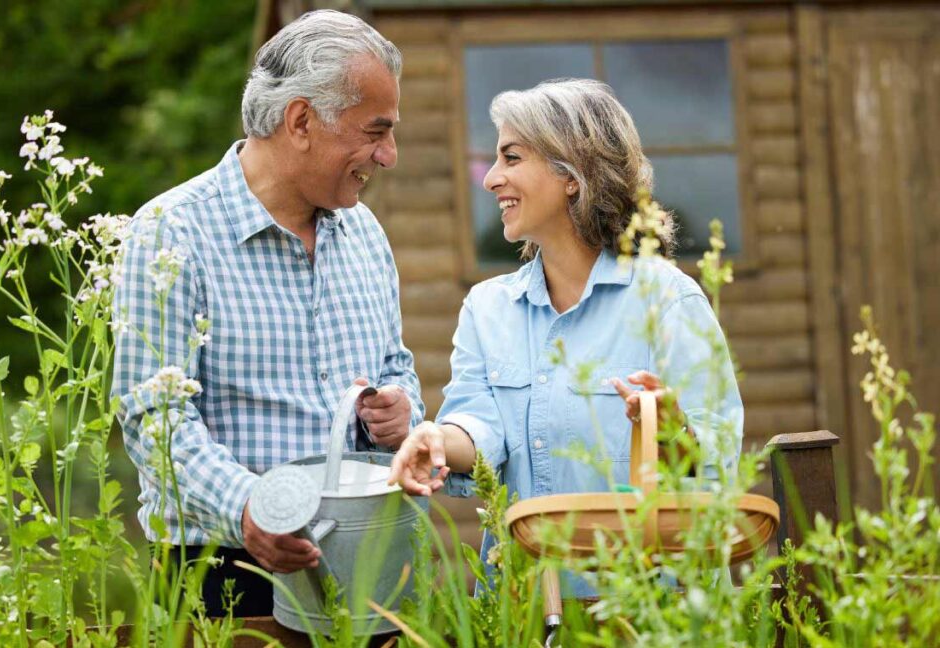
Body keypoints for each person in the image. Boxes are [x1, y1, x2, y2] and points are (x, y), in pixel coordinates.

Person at [112, 10, 423, 617]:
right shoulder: (171, 232)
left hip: (369, 564)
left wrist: (400, 410)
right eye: (374, 131)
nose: (388, 155)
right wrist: (252, 506)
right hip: (223, 572)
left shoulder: (364, 233)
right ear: (301, 120)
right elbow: (154, 418)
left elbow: (396, 364)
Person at [387, 79, 743, 595]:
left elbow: (720, 465)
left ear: (572, 174)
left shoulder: (669, 301)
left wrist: (675, 433)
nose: (491, 179)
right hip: (532, 608)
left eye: (512, 157)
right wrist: (434, 438)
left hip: (652, 614)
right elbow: (480, 427)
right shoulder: (488, 310)